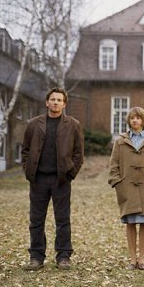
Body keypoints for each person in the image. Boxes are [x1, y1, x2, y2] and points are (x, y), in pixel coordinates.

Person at [21, 87, 84, 270]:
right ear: (47, 102)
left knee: (63, 219)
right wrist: (28, 170)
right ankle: (36, 257)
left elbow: (78, 154)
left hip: (61, 180)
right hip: (38, 180)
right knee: (36, 219)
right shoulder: (34, 124)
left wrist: (70, 173)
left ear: (64, 104)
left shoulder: (73, 125)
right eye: (53, 99)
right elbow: (25, 150)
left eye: (59, 100)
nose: (55, 102)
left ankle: (63, 256)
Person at [108, 107, 144, 270]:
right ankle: (132, 259)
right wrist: (117, 182)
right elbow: (114, 164)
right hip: (127, 187)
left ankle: (141, 259)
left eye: (138, 118)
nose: (135, 120)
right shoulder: (120, 141)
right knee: (130, 223)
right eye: (132, 118)